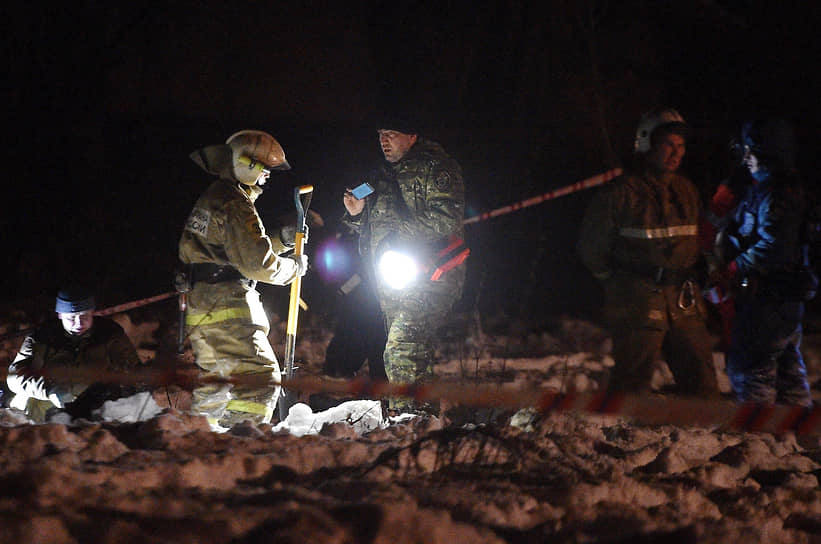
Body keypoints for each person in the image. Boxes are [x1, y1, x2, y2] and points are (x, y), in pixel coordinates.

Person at [577, 107, 720, 398]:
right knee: (632, 383)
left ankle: (707, 441)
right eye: (668, 144)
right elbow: (591, 248)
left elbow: (700, 242)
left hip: (683, 299)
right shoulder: (621, 193)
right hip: (638, 301)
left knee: (703, 383)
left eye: (681, 146)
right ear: (647, 144)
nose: (676, 153)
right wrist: (620, 285)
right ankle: (624, 438)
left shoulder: (687, 190)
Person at [178, 129, 308, 429]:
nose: (268, 175)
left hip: (202, 303)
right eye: (264, 168)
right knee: (259, 378)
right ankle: (239, 446)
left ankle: (200, 444)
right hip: (226, 305)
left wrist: (281, 240)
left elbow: (233, 252)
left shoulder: (216, 196)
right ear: (246, 164)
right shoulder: (236, 203)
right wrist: (293, 269)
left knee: (217, 384)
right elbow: (255, 264)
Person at [342, 117, 466, 415]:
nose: (384, 140)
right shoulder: (377, 175)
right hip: (391, 279)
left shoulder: (436, 168)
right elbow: (360, 221)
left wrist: (401, 223)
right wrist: (355, 213)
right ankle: (423, 420)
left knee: (400, 348)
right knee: (414, 355)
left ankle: (403, 419)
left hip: (429, 274)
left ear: (412, 135)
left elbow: (447, 220)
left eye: (391, 134)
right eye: (381, 134)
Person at [714, 118, 814, 406]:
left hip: (767, 302)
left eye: (752, 151)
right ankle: (800, 441)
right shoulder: (772, 189)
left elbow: (774, 247)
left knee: (751, 373)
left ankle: (758, 440)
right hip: (779, 302)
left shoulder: (776, 193)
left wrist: (734, 266)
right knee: (789, 375)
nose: (746, 159)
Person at [6, 287, 143, 422]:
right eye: (71, 318)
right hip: (53, 399)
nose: (78, 323)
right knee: (31, 404)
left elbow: (134, 371)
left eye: (84, 316)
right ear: (60, 315)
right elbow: (15, 378)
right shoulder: (42, 337)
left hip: (98, 401)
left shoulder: (110, 334)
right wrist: (49, 390)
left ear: (92, 313)